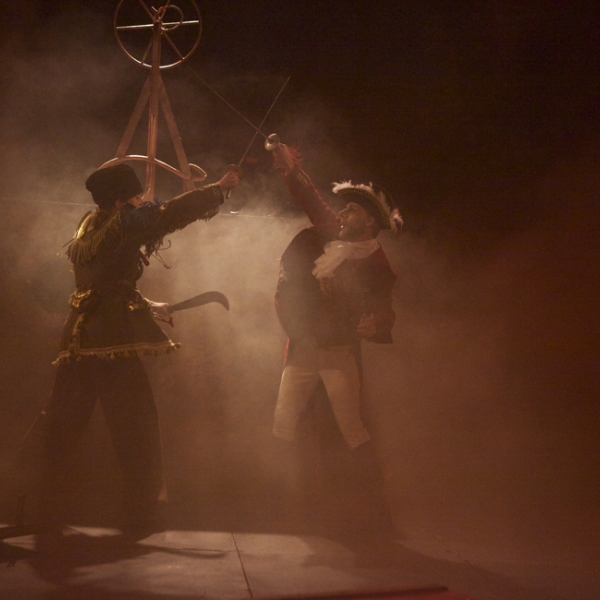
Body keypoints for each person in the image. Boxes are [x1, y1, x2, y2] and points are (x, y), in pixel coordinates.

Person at [38, 163, 240, 538]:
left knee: (63, 425)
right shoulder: (122, 222)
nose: (141, 202)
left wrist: (146, 305)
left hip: (79, 338)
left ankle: (39, 507)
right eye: (135, 197)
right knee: (137, 426)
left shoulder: (91, 224)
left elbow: (103, 285)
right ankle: (143, 514)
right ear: (119, 202)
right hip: (110, 339)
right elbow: (168, 213)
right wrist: (218, 188)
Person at [267, 140, 401, 532]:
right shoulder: (329, 232)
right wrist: (291, 169)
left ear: (369, 223)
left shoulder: (376, 262)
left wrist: (377, 322)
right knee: (286, 426)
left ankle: (372, 514)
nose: (341, 213)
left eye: (351, 210)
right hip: (304, 350)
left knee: (351, 432)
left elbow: (385, 308)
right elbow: (311, 198)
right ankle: (288, 508)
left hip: (340, 354)